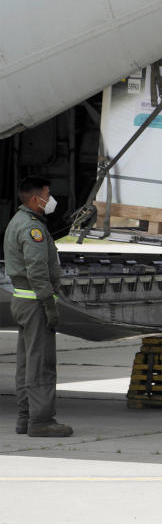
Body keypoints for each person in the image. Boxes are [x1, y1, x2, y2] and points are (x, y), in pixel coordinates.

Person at [3, 176, 73, 437]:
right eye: (47, 194)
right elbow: (37, 270)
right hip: (34, 303)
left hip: (22, 300)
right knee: (41, 363)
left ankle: (25, 417)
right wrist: (49, 304)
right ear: (35, 199)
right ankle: (41, 420)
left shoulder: (18, 222)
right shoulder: (32, 228)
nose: (51, 199)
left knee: (27, 363)